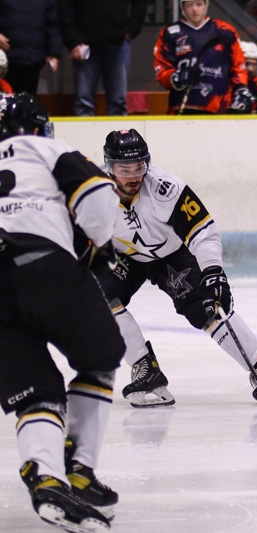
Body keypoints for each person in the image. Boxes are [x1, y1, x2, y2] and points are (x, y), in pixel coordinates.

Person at [95, 128, 257, 409]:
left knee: (206, 307)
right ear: (109, 166)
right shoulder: (91, 190)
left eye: (139, 166)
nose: (132, 176)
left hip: (172, 256)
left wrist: (213, 271)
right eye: (124, 168)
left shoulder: (166, 188)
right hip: (124, 256)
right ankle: (146, 369)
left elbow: (202, 232)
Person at [0, 93, 123, 531]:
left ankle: (45, 477)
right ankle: (78, 468)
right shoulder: (44, 147)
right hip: (45, 267)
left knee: (35, 394)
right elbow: (98, 199)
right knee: (102, 357)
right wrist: (95, 243)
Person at [154, 0, 255, 115]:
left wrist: (241, 89)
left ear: (206, 5)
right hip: (182, 106)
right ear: (183, 7)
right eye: (189, 5)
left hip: (218, 106)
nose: (195, 9)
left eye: (199, 4)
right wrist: (177, 77)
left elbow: (237, 67)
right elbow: (161, 68)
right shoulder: (170, 34)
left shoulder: (225, 31)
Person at [58, 0, 147, 116]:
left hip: (118, 41)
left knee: (118, 103)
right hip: (85, 44)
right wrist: (73, 41)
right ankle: (85, 134)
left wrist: (132, 28)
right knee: (83, 103)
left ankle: (118, 134)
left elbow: (140, 4)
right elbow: (64, 7)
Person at [0, 0, 62, 96]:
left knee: (27, 105)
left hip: (33, 61)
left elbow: (53, 24)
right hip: (5, 62)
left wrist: (53, 53)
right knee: (4, 106)